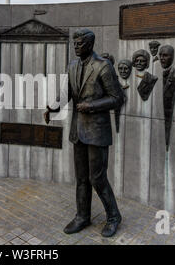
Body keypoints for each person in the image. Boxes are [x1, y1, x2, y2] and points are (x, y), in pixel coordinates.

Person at [44, 29, 124, 237]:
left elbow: (117, 98)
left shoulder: (103, 66)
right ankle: (82, 216)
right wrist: (53, 107)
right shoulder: (72, 65)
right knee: (81, 178)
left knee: (97, 178)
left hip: (97, 132)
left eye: (79, 43)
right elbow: (68, 93)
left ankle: (114, 216)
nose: (76, 46)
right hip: (78, 131)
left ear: (89, 44)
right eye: (75, 43)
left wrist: (91, 106)